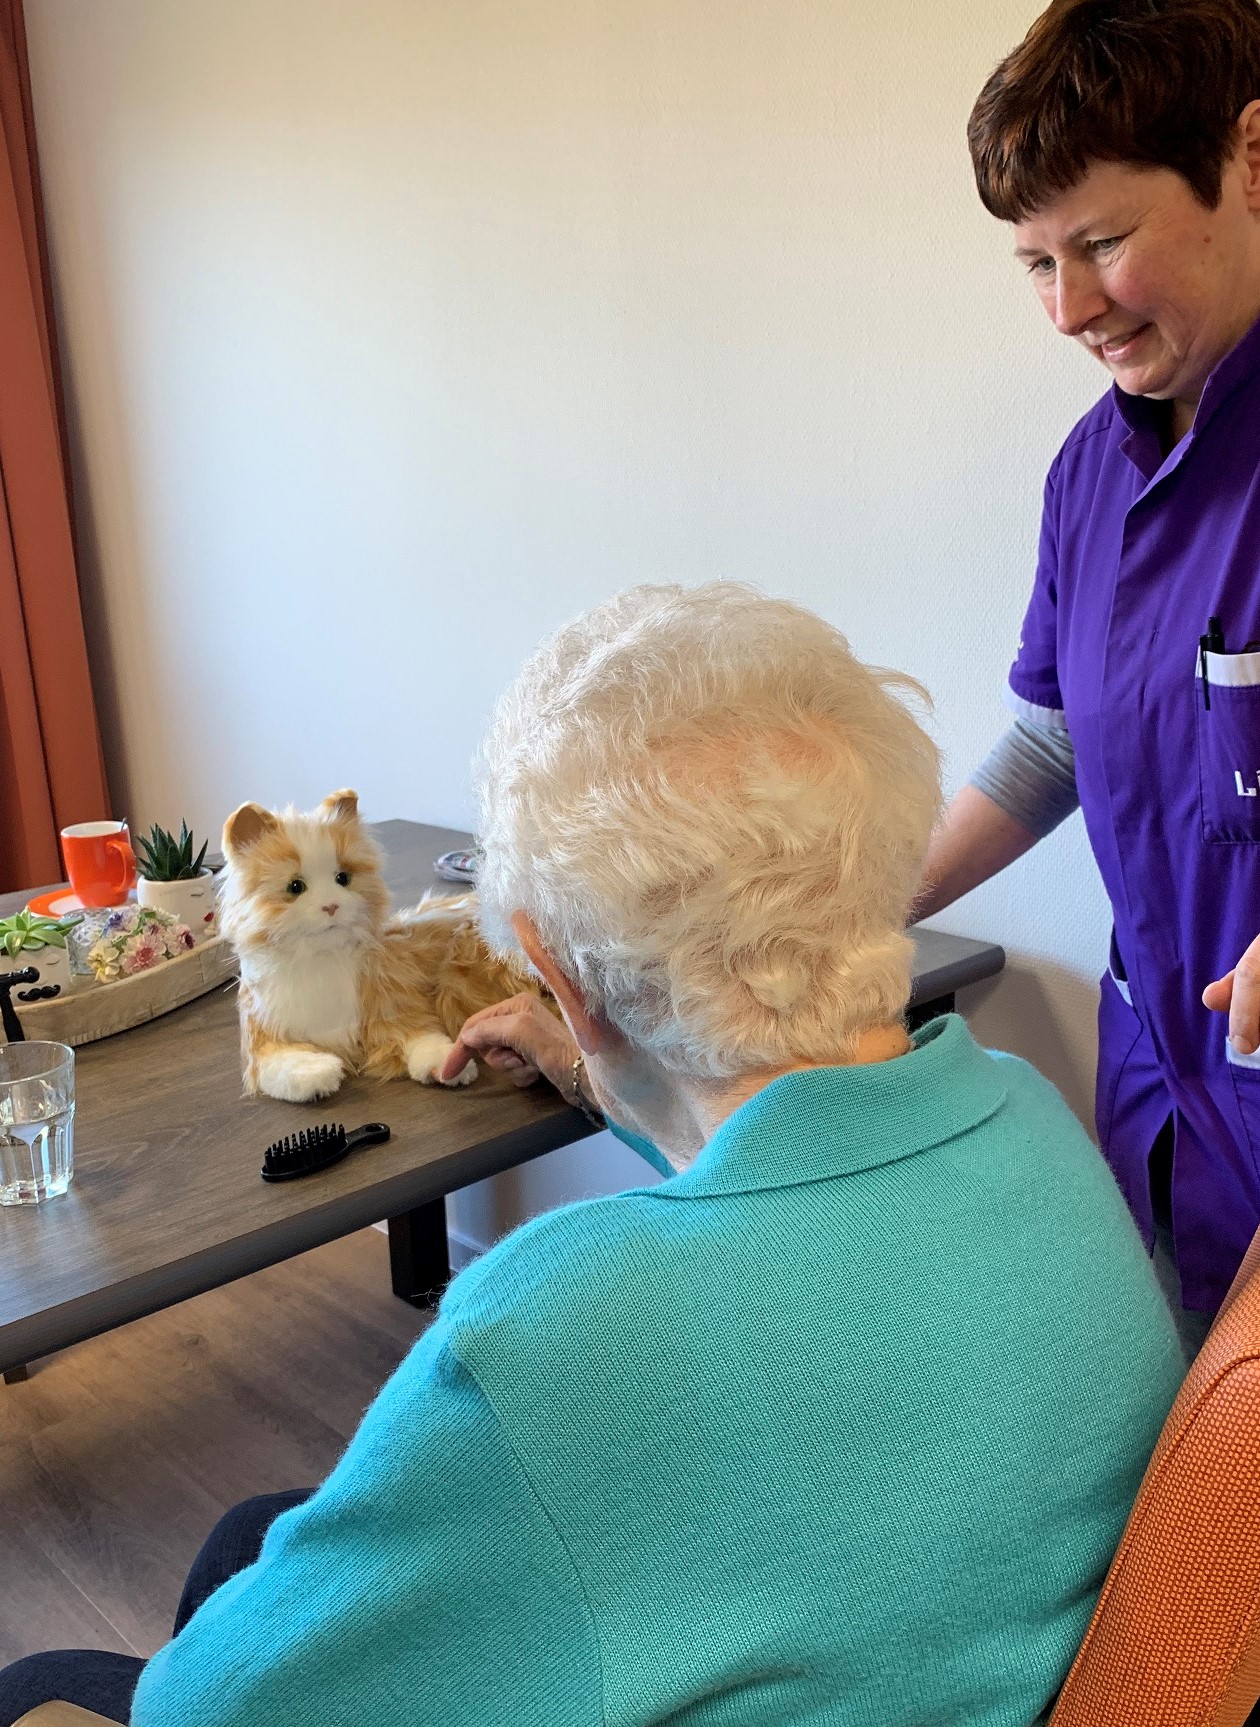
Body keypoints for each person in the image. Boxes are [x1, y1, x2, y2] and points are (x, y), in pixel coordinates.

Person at [0, 584, 1184, 1726]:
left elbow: (200, 1708)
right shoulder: (1030, 1115)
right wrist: (590, 1069)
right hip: (959, 1657)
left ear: (558, 979)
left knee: (65, 1667)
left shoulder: (560, 1330)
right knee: (255, 1534)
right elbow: (790, 1165)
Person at [909, 0, 1260, 1352]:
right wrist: (850, 904)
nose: (1066, 309)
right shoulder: (1088, 471)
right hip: (1174, 1105)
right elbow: (1057, 740)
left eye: (1099, 243)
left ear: (1253, 154)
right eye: (1034, 262)